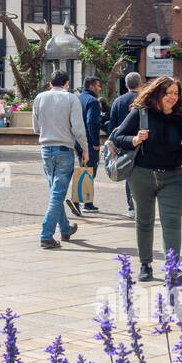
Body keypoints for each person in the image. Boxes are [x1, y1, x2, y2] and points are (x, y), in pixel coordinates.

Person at [110, 77, 182, 285]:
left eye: (176, 93)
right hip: (142, 175)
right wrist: (135, 140)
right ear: (157, 93)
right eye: (168, 93)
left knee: (172, 223)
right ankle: (145, 265)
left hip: (173, 176)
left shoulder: (181, 117)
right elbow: (117, 138)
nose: (173, 98)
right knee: (144, 221)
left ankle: (172, 269)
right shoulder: (141, 113)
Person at [32, 71, 87, 250]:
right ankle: (46, 235)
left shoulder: (40, 98)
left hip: (46, 150)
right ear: (67, 83)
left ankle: (65, 229)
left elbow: (35, 127)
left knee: (56, 193)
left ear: (50, 83)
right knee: (57, 195)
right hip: (64, 150)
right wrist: (85, 150)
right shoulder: (71, 99)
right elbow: (78, 128)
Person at [108, 72, 143, 217]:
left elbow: (112, 124)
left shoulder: (118, 101)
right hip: (142, 142)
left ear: (126, 85)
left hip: (124, 143)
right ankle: (142, 205)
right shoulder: (144, 100)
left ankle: (132, 207)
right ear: (140, 84)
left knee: (129, 174)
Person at [78, 76, 104, 211]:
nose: (99, 88)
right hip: (88, 141)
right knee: (89, 171)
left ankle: (78, 201)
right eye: (98, 86)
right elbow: (91, 122)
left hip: (77, 140)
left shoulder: (78, 98)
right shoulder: (92, 101)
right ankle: (87, 203)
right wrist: (95, 142)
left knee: (83, 168)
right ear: (92, 86)